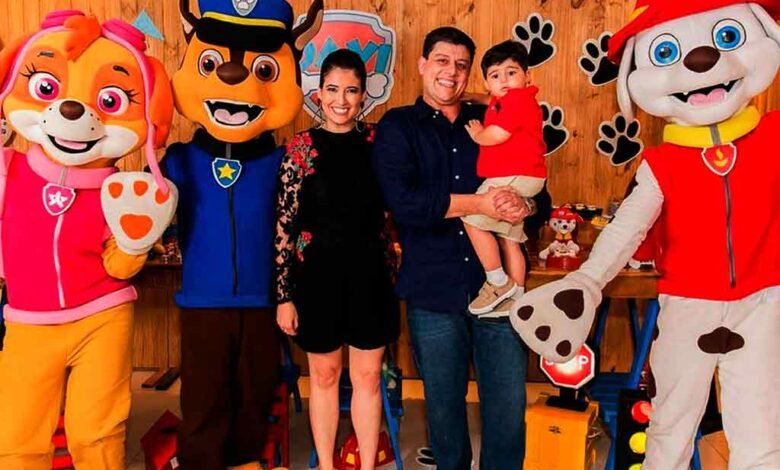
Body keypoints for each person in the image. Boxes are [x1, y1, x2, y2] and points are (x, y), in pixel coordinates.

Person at [373, 26, 540, 470]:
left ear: (471, 75)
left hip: (501, 297)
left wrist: (524, 204)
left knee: (507, 412)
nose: (451, 72)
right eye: (442, 61)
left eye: (462, 65)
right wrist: (479, 204)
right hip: (433, 290)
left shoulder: (494, 120)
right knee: (444, 411)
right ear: (423, 65)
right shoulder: (398, 126)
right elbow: (405, 204)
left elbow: (536, 187)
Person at [275, 49, 400, 470]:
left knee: (368, 378)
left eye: (350, 90)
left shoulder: (380, 142)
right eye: (332, 90)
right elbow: (284, 226)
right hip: (316, 281)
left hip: (371, 278)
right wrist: (284, 296)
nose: (341, 100)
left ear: (364, 95)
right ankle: (327, 466)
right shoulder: (300, 148)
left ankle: (365, 465)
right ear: (319, 93)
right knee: (324, 377)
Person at [462, 40, 546, 316]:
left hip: (512, 174)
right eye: (495, 76)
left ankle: (497, 281)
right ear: (488, 83)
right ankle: (516, 299)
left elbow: (497, 135)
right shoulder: (515, 100)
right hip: (528, 176)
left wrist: (478, 134)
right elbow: (494, 100)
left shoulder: (516, 101)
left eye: (511, 72)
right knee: (510, 239)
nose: (504, 80)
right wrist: (477, 97)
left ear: (527, 75)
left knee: (472, 219)